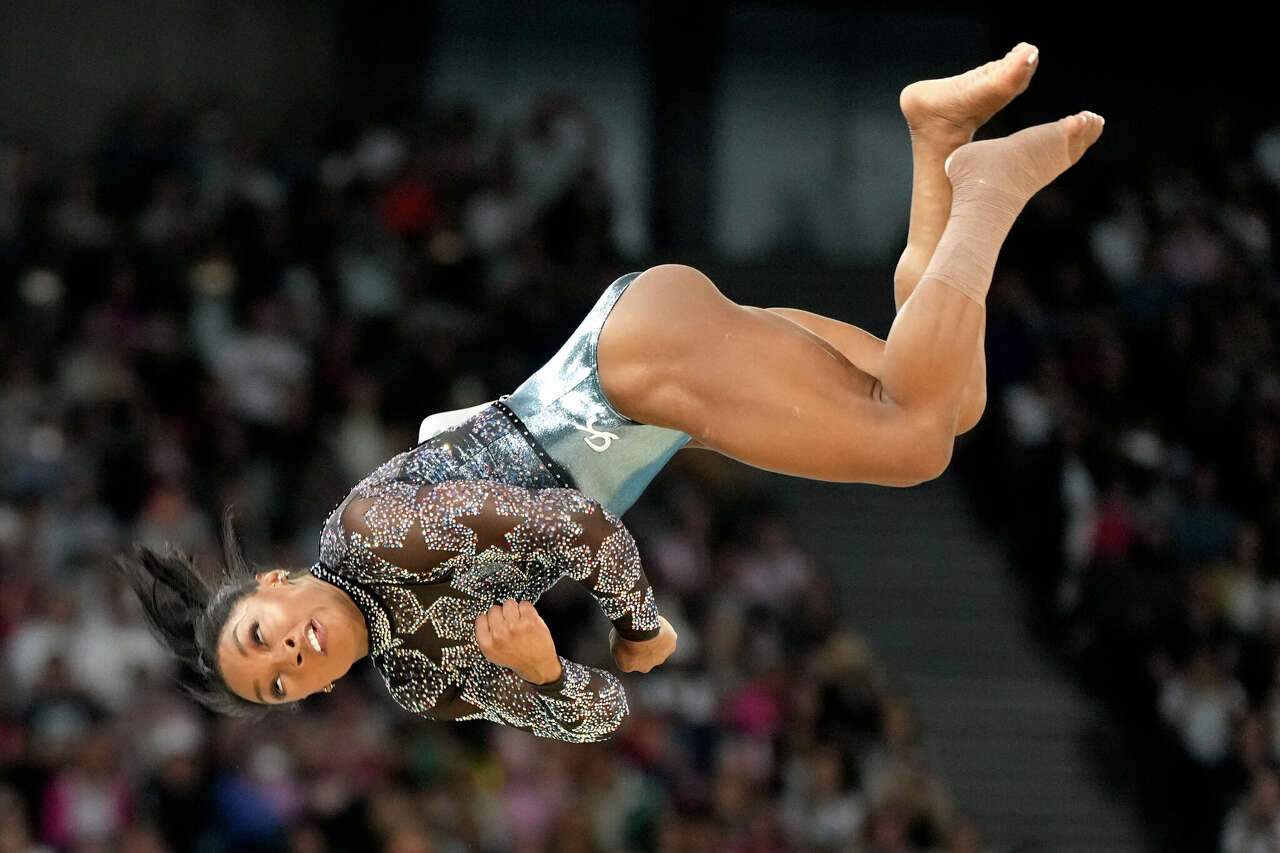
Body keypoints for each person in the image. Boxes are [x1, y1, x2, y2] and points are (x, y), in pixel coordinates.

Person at [118, 44, 1104, 742]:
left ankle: (983, 191)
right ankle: (936, 141)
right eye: (281, 681)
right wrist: (549, 672)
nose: (291, 654)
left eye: (263, 636)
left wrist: (639, 628)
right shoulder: (419, 680)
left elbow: (574, 525)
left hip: (632, 370)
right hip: (654, 400)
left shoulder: (375, 538)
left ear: (277, 584)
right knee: (934, 394)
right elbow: (596, 714)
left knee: (915, 443)